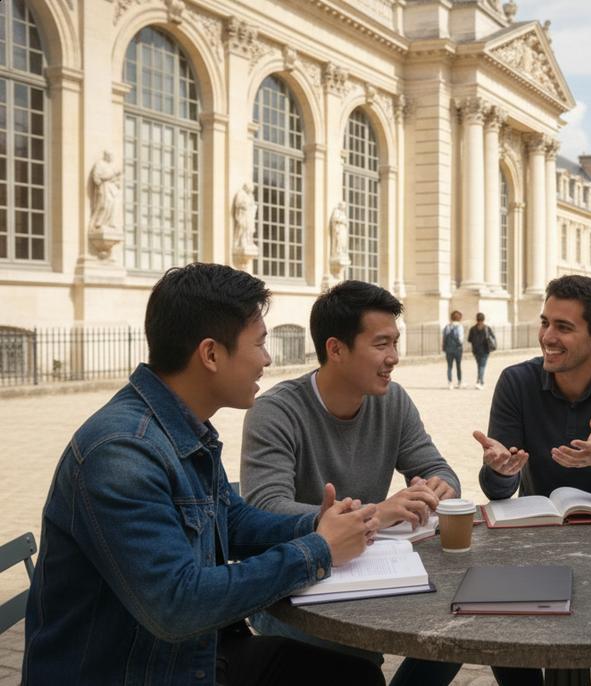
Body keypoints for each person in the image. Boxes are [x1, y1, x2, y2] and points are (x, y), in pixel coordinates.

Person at [23, 263, 383, 686]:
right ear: (211, 354)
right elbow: (178, 605)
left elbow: (231, 521)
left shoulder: (183, 425)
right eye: (260, 344)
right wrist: (318, 550)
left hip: (194, 656)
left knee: (356, 676)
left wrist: (317, 524)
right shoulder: (122, 452)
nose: (268, 359)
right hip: (137, 671)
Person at [240, 280, 463, 685]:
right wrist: (375, 513)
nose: (394, 357)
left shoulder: (392, 401)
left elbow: (441, 470)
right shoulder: (275, 412)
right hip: (296, 587)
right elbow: (263, 509)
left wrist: (436, 487)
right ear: (336, 349)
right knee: (357, 671)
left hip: (372, 568)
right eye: (381, 344)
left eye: (395, 342)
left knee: (459, 633)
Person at [474, 275, 591, 686]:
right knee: (488, 613)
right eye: (545, 323)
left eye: (563, 327)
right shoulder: (516, 382)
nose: (547, 337)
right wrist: (502, 471)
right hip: (535, 541)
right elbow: (498, 489)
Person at [468, 311, 497, 389]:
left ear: (476, 319)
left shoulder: (472, 329)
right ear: (483, 319)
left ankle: (479, 380)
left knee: (479, 366)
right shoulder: (487, 328)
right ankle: (480, 382)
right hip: (485, 349)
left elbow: (469, 339)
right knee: (482, 366)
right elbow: (493, 337)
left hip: (476, 350)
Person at [442, 309, 464, 389]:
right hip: (457, 349)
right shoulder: (460, 326)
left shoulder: (447, 326)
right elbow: (461, 339)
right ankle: (459, 382)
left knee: (449, 366)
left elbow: (444, 338)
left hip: (449, 349)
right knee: (458, 366)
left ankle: (450, 383)